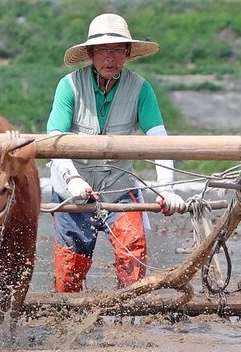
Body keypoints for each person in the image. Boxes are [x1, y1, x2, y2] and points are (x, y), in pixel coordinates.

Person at [46, 13, 185, 292]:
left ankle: (130, 313)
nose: (110, 57)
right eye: (103, 50)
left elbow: (159, 140)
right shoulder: (69, 87)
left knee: (132, 246)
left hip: (118, 186)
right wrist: (73, 181)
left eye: (117, 49)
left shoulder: (141, 89)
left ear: (128, 52)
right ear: (90, 53)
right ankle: (66, 317)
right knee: (70, 266)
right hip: (73, 186)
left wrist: (167, 190)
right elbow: (55, 140)